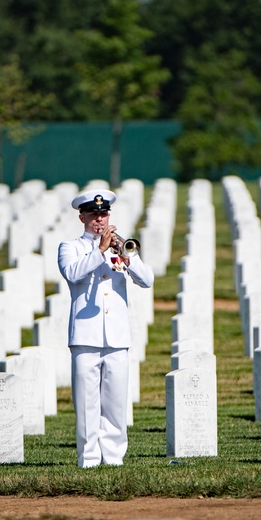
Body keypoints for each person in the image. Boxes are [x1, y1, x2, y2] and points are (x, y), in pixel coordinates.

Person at [57, 188, 154, 468]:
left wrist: (128, 258)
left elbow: (147, 280)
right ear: (82, 217)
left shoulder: (119, 248)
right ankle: (88, 459)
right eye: (94, 215)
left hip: (117, 336)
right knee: (87, 405)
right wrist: (100, 250)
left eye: (104, 214)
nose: (100, 220)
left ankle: (113, 459)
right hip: (85, 336)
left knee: (115, 403)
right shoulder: (70, 248)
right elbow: (73, 273)